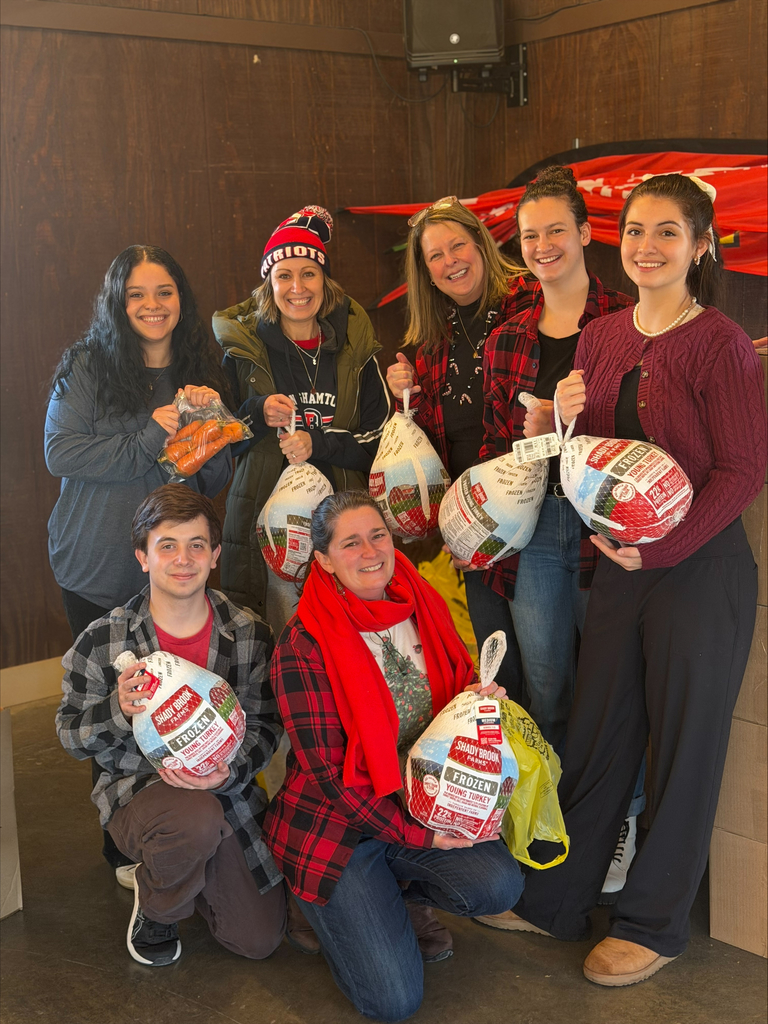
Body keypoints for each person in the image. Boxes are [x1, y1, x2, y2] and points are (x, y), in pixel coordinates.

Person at [485, 174, 767, 986]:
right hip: (618, 568)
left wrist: (664, 552)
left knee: (684, 748)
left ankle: (653, 923)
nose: (648, 247)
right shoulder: (603, 336)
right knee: (597, 733)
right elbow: (599, 461)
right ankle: (556, 902)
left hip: (698, 572)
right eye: (637, 231)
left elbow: (746, 471)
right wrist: (560, 417)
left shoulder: (719, 342)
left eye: (668, 233)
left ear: (701, 246)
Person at [264, 491, 525, 1022]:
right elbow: (334, 782)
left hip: (414, 803)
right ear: (323, 560)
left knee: (500, 884)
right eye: (350, 543)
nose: (370, 552)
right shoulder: (304, 644)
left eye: (377, 535)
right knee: (393, 1002)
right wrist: (425, 836)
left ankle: (398, 894)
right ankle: (314, 899)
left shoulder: (418, 602)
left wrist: (475, 701)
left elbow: (444, 704)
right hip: (340, 831)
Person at [46, 244, 233, 873]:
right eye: (137, 294)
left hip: (175, 572)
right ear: (117, 303)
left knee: (178, 701)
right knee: (117, 703)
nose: (152, 306)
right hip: (96, 566)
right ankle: (121, 841)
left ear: (182, 301)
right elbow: (63, 454)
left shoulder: (202, 368)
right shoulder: (87, 367)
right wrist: (154, 434)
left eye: (164, 292)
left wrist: (212, 435)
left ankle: (183, 823)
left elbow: (213, 477)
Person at [55, 486, 285, 967]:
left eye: (197, 545)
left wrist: (227, 775)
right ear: (142, 557)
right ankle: (158, 906)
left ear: (215, 555)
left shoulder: (248, 632)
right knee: (193, 819)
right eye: (167, 546)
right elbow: (71, 737)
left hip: (228, 795)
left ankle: (183, 864)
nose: (183, 559)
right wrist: (118, 708)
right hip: (140, 794)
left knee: (258, 939)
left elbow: (265, 727)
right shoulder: (103, 639)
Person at [213, 205, 390, 636]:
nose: (297, 287)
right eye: (283, 275)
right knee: (275, 641)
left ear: (324, 280)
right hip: (265, 521)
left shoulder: (354, 346)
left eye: (308, 273)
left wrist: (319, 442)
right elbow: (220, 445)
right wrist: (256, 414)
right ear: (268, 283)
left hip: (342, 527)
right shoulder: (244, 352)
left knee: (347, 642)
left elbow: (378, 445)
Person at [385, 197, 531, 697]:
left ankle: (559, 770)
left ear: (481, 244)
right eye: (435, 256)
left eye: (458, 245)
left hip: (534, 515)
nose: (451, 261)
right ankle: (513, 766)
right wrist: (405, 393)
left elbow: (610, 318)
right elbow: (433, 439)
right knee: (498, 671)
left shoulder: (530, 298)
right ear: (425, 271)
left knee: (552, 673)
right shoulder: (432, 339)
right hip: (471, 527)